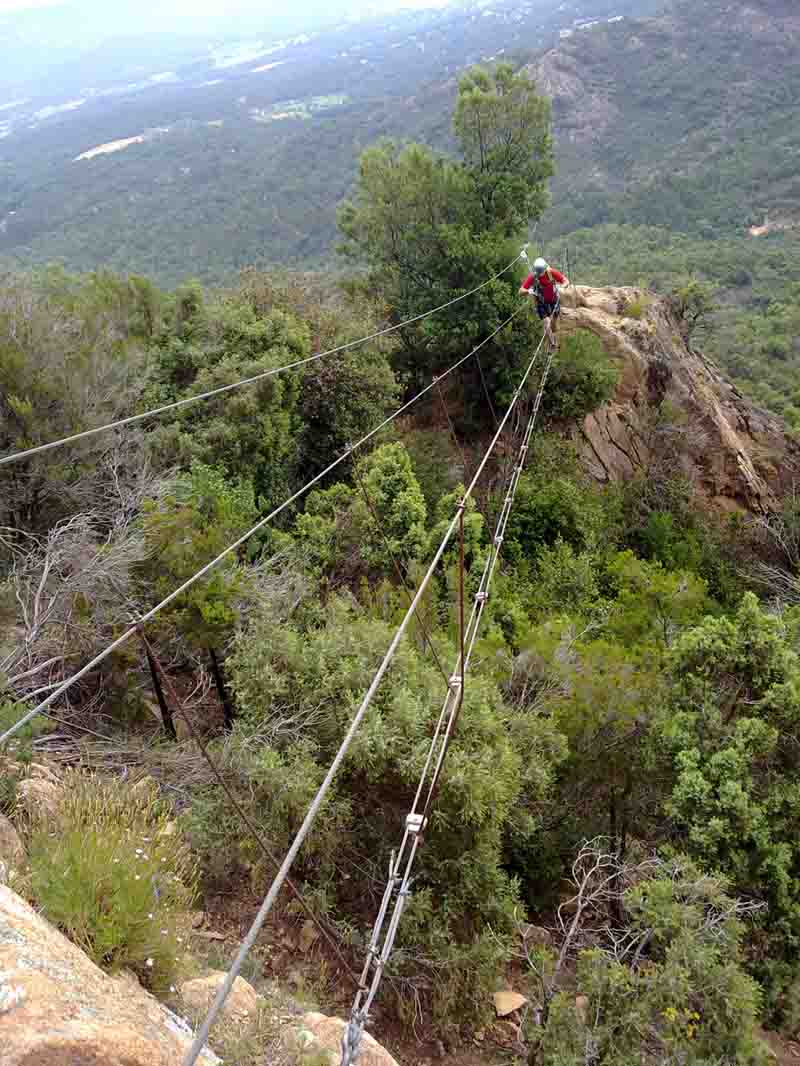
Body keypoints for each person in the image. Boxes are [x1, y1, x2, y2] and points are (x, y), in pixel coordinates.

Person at [519, 258, 570, 348]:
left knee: (554, 320)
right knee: (546, 321)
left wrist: (562, 287)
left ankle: (554, 334)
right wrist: (529, 291)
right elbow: (520, 291)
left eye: (541, 271)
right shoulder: (533, 277)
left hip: (553, 299)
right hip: (541, 302)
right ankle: (552, 343)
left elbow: (565, 281)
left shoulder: (551, 273)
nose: (540, 273)